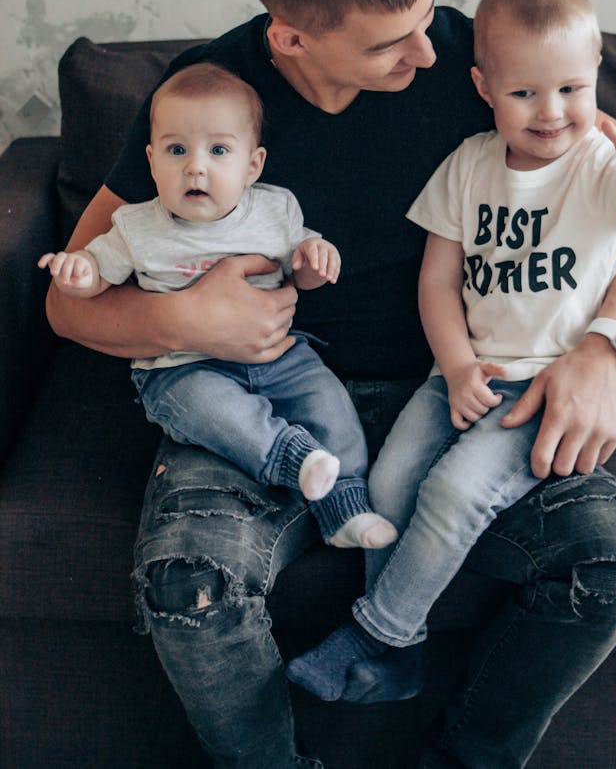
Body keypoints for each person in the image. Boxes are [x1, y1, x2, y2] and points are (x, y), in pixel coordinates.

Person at [46, 0, 616, 769]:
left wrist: (609, 347)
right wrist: (190, 319)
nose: (427, 56)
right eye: (393, 43)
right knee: (188, 585)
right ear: (292, 37)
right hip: (258, 397)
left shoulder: (481, 62)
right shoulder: (204, 102)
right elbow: (65, 300)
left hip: (455, 388)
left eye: (428, 20)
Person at [286, 0, 616, 702]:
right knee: (389, 478)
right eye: (524, 92)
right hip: (462, 375)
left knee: (455, 489)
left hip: (544, 385)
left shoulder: (601, 166)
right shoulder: (468, 166)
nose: (551, 111)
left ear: (596, 74)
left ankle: (378, 636)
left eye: (570, 88)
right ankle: (398, 658)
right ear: (483, 86)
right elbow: (437, 282)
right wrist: (458, 367)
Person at [39, 63, 396, 551]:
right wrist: (77, 274)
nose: (195, 166)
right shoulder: (135, 226)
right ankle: (294, 458)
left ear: (253, 164)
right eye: (176, 150)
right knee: (211, 412)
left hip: (280, 357)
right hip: (183, 369)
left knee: (329, 404)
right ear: (150, 159)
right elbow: (96, 275)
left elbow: (300, 270)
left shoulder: (276, 210)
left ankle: (345, 509)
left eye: (219, 150)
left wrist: (314, 261)